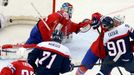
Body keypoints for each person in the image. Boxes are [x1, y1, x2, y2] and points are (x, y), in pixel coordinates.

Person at [26, 2, 91, 44]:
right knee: (30, 45)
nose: (69, 12)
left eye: (70, 10)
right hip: (39, 32)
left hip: (43, 37)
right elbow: (54, 22)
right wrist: (52, 34)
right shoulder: (58, 15)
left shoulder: (69, 23)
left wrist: (89, 22)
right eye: (69, 9)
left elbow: (77, 27)